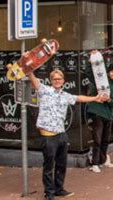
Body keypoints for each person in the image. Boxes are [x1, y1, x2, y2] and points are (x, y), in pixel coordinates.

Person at [28, 69, 108, 200]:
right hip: (48, 135)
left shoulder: (65, 95)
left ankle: (59, 189)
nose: (57, 81)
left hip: (61, 134)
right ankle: (49, 193)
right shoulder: (44, 90)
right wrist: (29, 70)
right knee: (49, 166)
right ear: (50, 81)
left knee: (61, 164)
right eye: (55, 79)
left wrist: (95, 98)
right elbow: (33, 80)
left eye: (59, 79)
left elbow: (79, 98)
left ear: (63, 81)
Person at [86, 61, 113, 173]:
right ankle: (94, 163)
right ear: (108, 72)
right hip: (98, 114)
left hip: (109, 116)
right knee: (97, 140)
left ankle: (103, 160)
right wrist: (90, 62)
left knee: (105, 140)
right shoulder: (100, 82)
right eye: (112, 71)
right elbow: (90, 75)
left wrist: (109, 100)